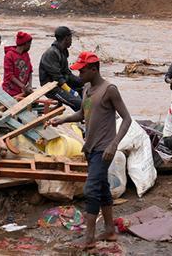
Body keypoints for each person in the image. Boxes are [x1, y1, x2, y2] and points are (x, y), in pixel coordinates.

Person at [46, 51, 132, 250]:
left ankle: (89, 237)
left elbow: (127, 118)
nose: (79, 75)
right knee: (101, 187)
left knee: (91, 190)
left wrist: (114, 144)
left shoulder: (110, 89)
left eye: (82, 71)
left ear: (94, 69)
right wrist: (62, 119)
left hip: (105, 149)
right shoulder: (87, 88)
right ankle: (110, 230)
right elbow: (83, 114)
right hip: (90, 147)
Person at [39, 26, 83, 111]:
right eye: (71, 38)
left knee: (87, 93)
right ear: (66, 38)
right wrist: (71, 91)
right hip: (51, 88)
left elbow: (67, 73)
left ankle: (86, 119)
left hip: (62, 84)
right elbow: (58, 78)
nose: (71, 41)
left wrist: (82, 81)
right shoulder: (51, 53)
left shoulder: (62, 52)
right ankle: (85, 119)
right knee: (79, 103)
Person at [2, 31, 33, 97]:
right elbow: (9, 75)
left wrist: (30, 85)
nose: (30, 47)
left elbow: (30, 71)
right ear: (26, 44)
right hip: (10, 91)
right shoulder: (9, 55)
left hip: (22, 90)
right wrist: (23, 86)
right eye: (30, 44)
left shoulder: (26, 54)